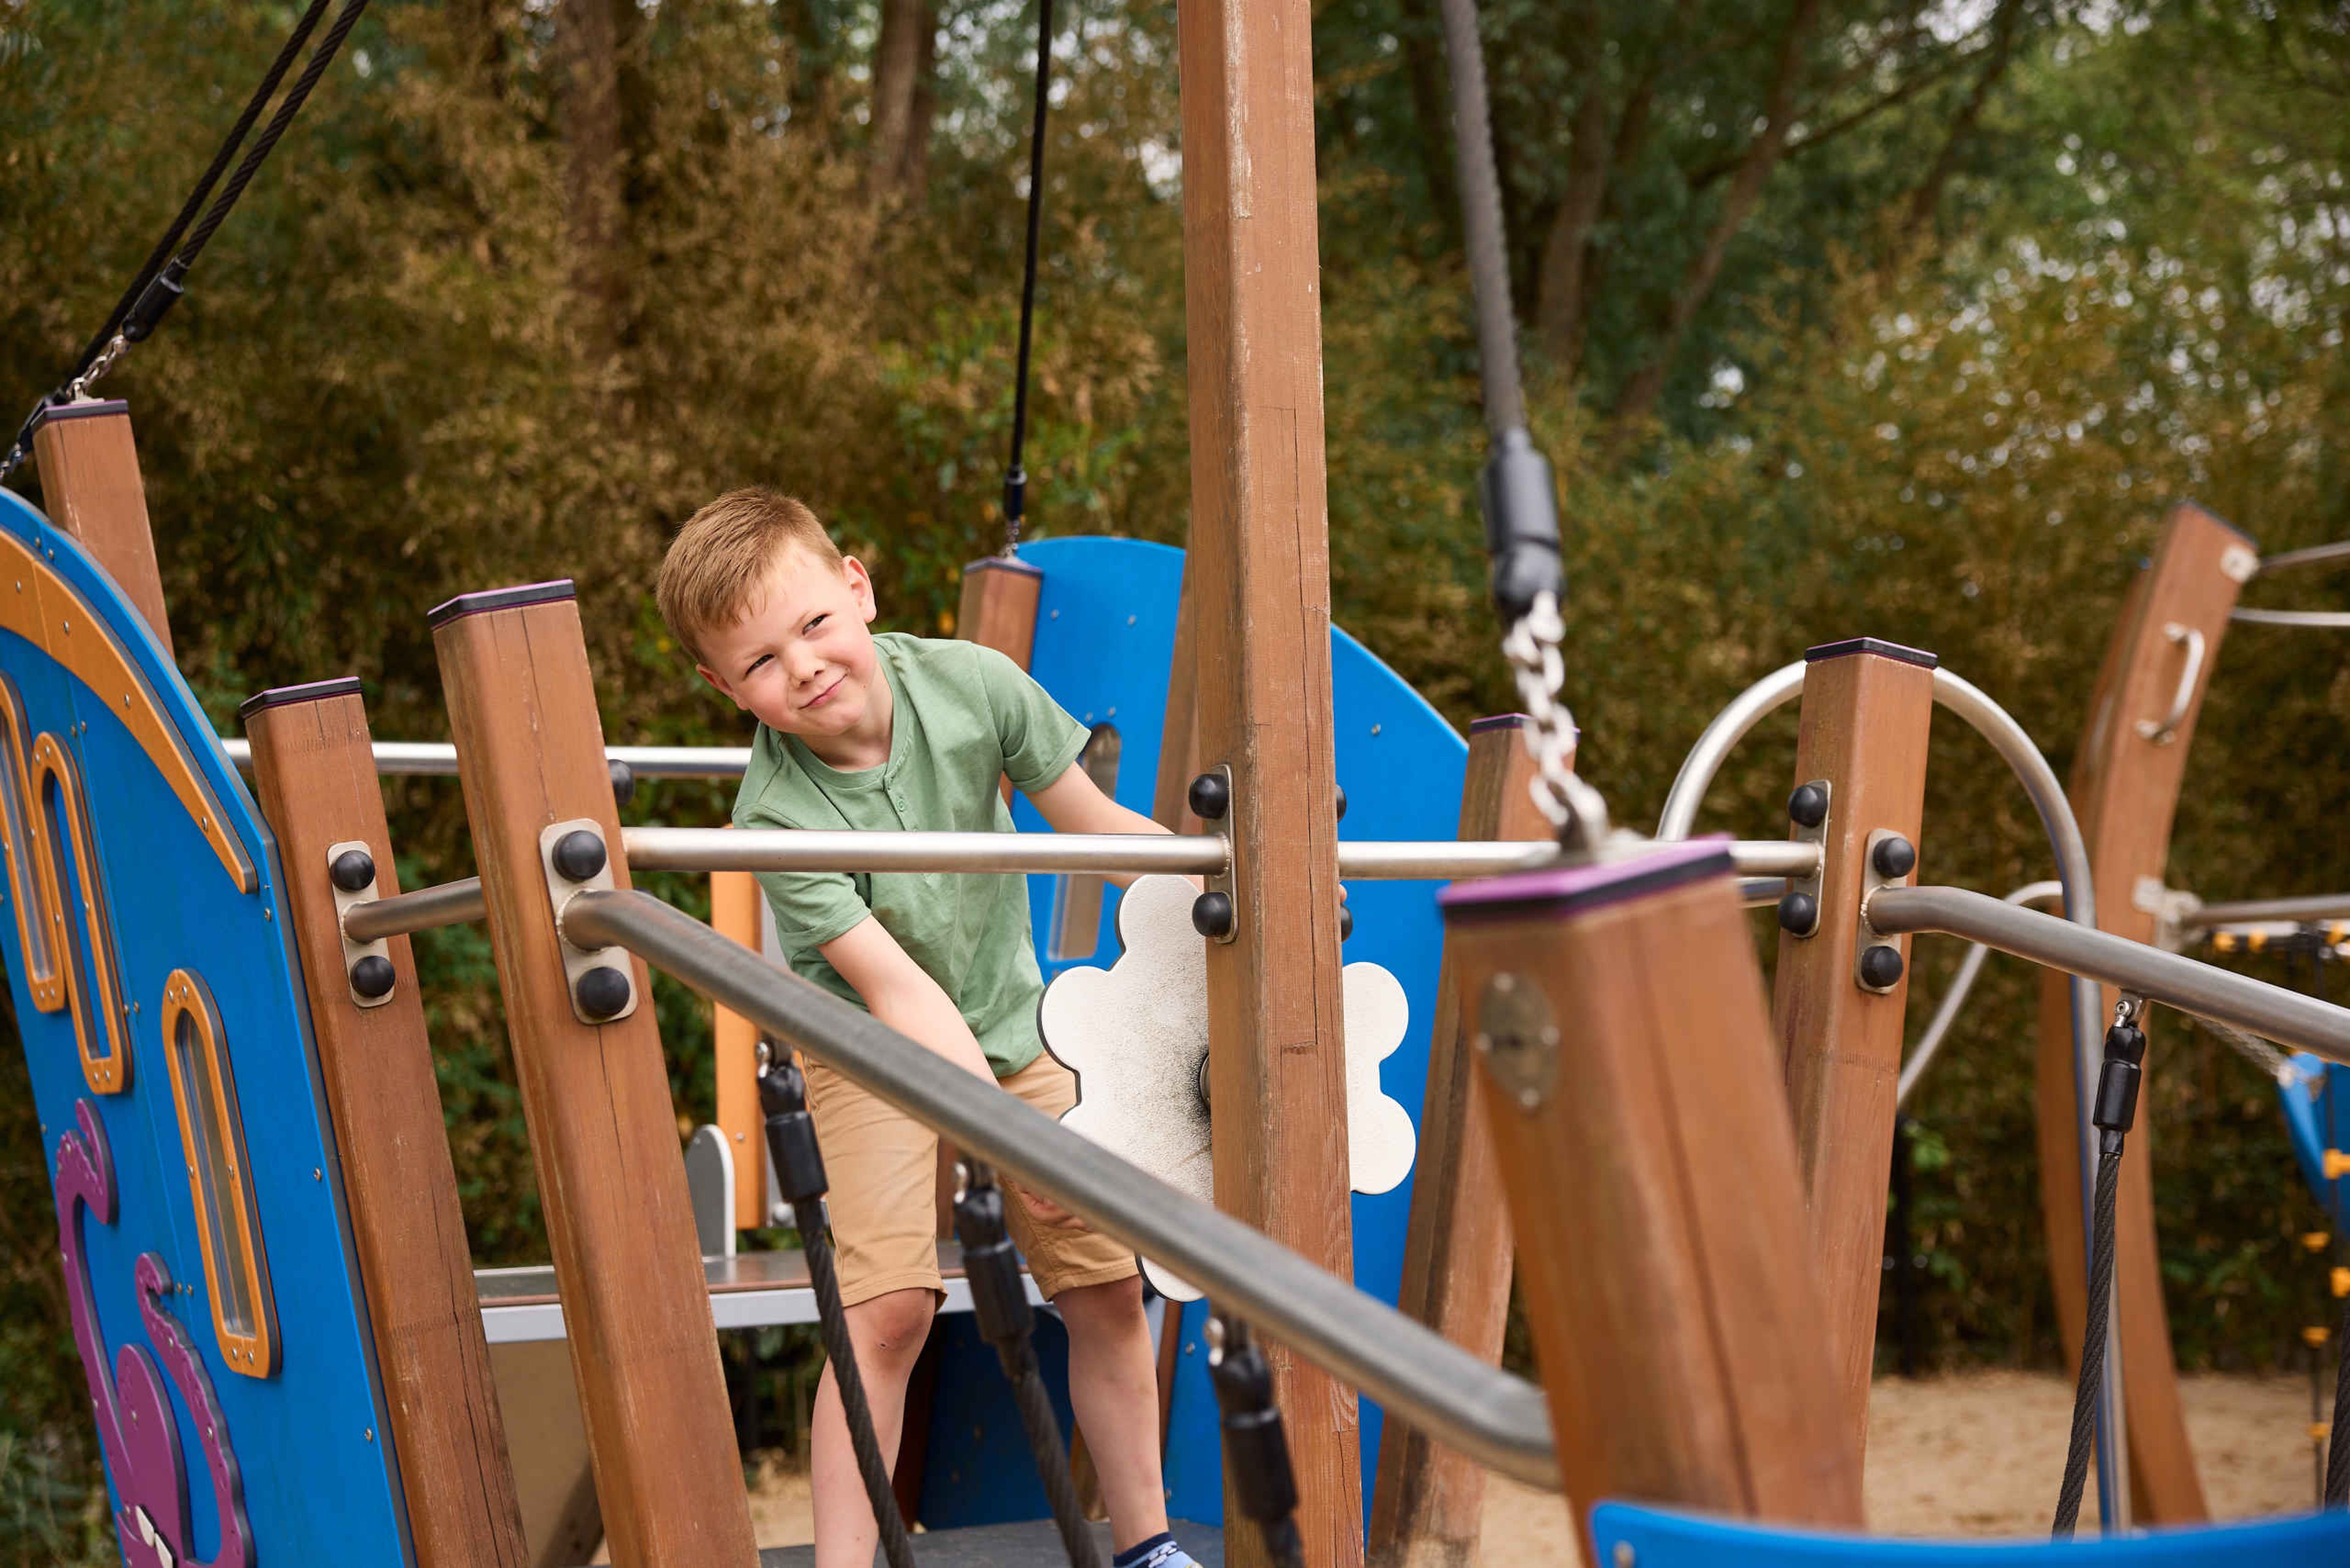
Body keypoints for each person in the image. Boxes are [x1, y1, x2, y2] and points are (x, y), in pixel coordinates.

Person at [656, 488, 1199, 1568]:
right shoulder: (776, 817)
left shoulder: (974, 684)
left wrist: (1221, 889)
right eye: (762, 662)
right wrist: (1007, 1143)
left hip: (1010, 1020)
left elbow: (1098, 828)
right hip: (868, 1049)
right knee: (891, 1310)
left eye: (814, 624)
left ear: (855, 587)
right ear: (727, 690)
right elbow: (898, 995)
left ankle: (1146, 1547)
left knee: (1103, 1282)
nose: (804, 667)